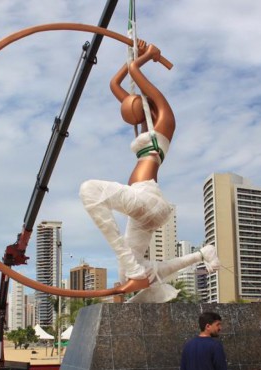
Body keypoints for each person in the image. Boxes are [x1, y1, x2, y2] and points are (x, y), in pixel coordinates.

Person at [79, 40, 220, 303]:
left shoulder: (166, 121)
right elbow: (115, 85)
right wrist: (137, 56)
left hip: (147, 198)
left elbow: (134, 71)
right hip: (144, 207)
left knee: (90, 190)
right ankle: (202, 254)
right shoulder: (144, 123)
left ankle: (135, 270)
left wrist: (146, 56)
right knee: (128, 271)